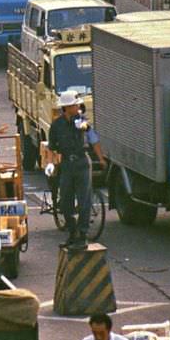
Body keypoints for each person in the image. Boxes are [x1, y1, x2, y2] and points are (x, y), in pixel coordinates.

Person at [47, 91, 107, 250]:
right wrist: (51, 163)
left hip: (81, 162)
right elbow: (52, 147)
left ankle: (83, 235)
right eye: (75, 105)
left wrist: (101, 159)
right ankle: (72, 232)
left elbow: (93, 139)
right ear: (67, 107)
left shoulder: (81, 121)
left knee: (84, 200)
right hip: (67, 163)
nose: (77, 107)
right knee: (65, 200)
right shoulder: (57, 125)